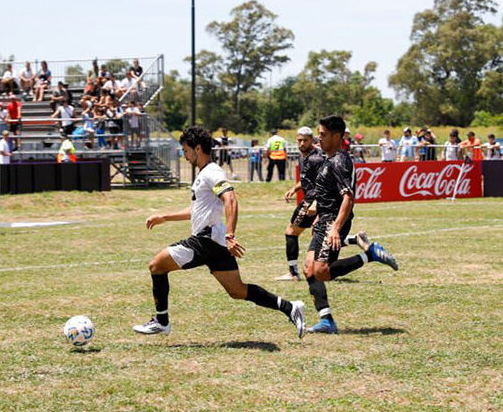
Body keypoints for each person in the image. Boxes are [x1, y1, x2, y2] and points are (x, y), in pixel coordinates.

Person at [132, 125, 306, 338]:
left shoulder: (212, 172)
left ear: (197, 148)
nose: (185, 156)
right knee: (238, 291)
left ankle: (162, 321)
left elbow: (230, 198)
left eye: (186, 151)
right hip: (215, 243)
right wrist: (165, 217)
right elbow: (197, 210)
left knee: (157, 265)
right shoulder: (204, 174)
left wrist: (230, 234)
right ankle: (291, 307)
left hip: (206, 240)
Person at [304, 115, 398, 334]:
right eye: (319, 134)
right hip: (324, 220)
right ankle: (326, 320)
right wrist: (318, 213)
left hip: (334, 221)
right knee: (309, 269)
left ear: (337, 136)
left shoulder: (340, 161)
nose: (319, 138)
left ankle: (369, 255)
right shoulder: (328, 158)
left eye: (323, 135)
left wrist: (335, 227)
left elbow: (348, 197)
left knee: (322, 271)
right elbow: (330, 193)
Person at [277, 126, 325, 282]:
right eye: (299, 140)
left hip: (312, 201)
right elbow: (306, 179)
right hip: (313, 199)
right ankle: (354, 239)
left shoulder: (316, 158)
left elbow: (324, 182)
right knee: (320, 234)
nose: (302, 143)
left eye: (305, 140)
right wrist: (294, 188)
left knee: (291, 232)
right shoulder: (304, 155)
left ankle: (293, 273)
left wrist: (316, 203)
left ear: (312, 140)